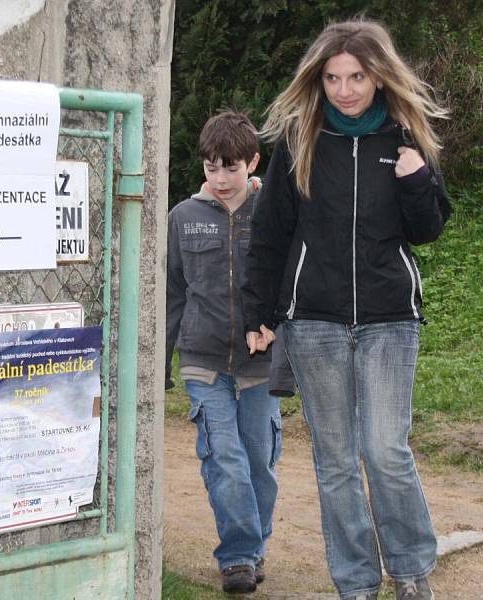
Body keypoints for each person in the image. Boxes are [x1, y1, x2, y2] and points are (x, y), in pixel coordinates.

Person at [241, 19, 451, 600]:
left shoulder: (406, 137)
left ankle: (410, 571)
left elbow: (429, 227)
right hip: (314, 320)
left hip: (389, 316)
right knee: (335, 460)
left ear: (379, 76)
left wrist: (415, 179)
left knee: (385, 450)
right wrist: (259, 311)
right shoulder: (299, 140)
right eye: (333, 77)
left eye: (357, 76)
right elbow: (270, 233)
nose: (345, 89)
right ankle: (355, 582)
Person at [166, 111, 282, 594]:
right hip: (203, 358)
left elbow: (291, 283)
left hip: (261, 362)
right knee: (225, 460)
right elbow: (172, 292)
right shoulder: (183, 217)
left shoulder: (275, 212)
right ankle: (236, 557)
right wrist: (159, 363)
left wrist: (275, 329)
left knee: (259, 463)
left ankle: (254, 549)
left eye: (230, 168)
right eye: (211, 167)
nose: (219, 179)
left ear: (253, 162)